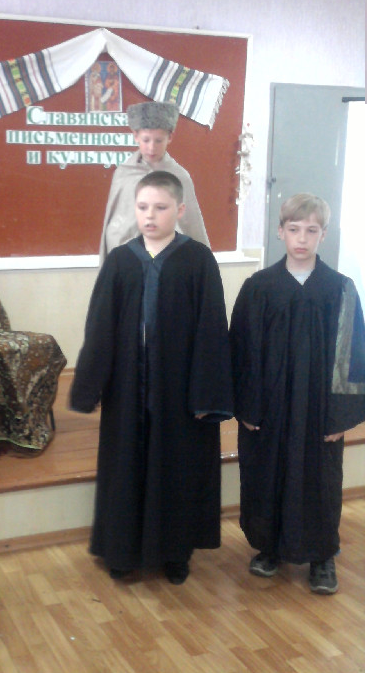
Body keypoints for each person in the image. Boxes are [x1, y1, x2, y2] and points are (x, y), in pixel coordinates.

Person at [71, 171, 233, 584]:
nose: (150, 215)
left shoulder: (198, 260)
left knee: (176, 467)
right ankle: (122, 550)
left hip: (178, 390)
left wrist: (208, 395)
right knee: (126, 465)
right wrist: (90, 385)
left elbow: (212, 329)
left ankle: (175, 551)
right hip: (129, 387)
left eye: (160, 207)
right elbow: (100, 326)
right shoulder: (121, 261)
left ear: (179, 210)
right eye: (143, 207)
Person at [229, 193, 365, 595]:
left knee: (320, 478)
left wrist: (339, 417)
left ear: (324, 234)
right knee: (265, 474)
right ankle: (269, 547)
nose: (302, 238)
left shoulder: (340, 290)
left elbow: (351, 356)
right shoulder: (259, 288)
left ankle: (322, 556)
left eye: (311, 230)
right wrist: (247, 406)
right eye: (294, 229)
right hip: (269, 409)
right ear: (280, 232)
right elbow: (241, 350)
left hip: (318, 410)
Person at [99, 101, 210, 263]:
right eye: (146, 140)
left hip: (168, 257)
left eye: (158, 141)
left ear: (169, 138)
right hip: (127, 255)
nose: (151, 147)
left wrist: (204, 263)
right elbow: (115, 218)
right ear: (136, 136)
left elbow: (191, 223)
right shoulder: (124, 173)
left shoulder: (179, 176)